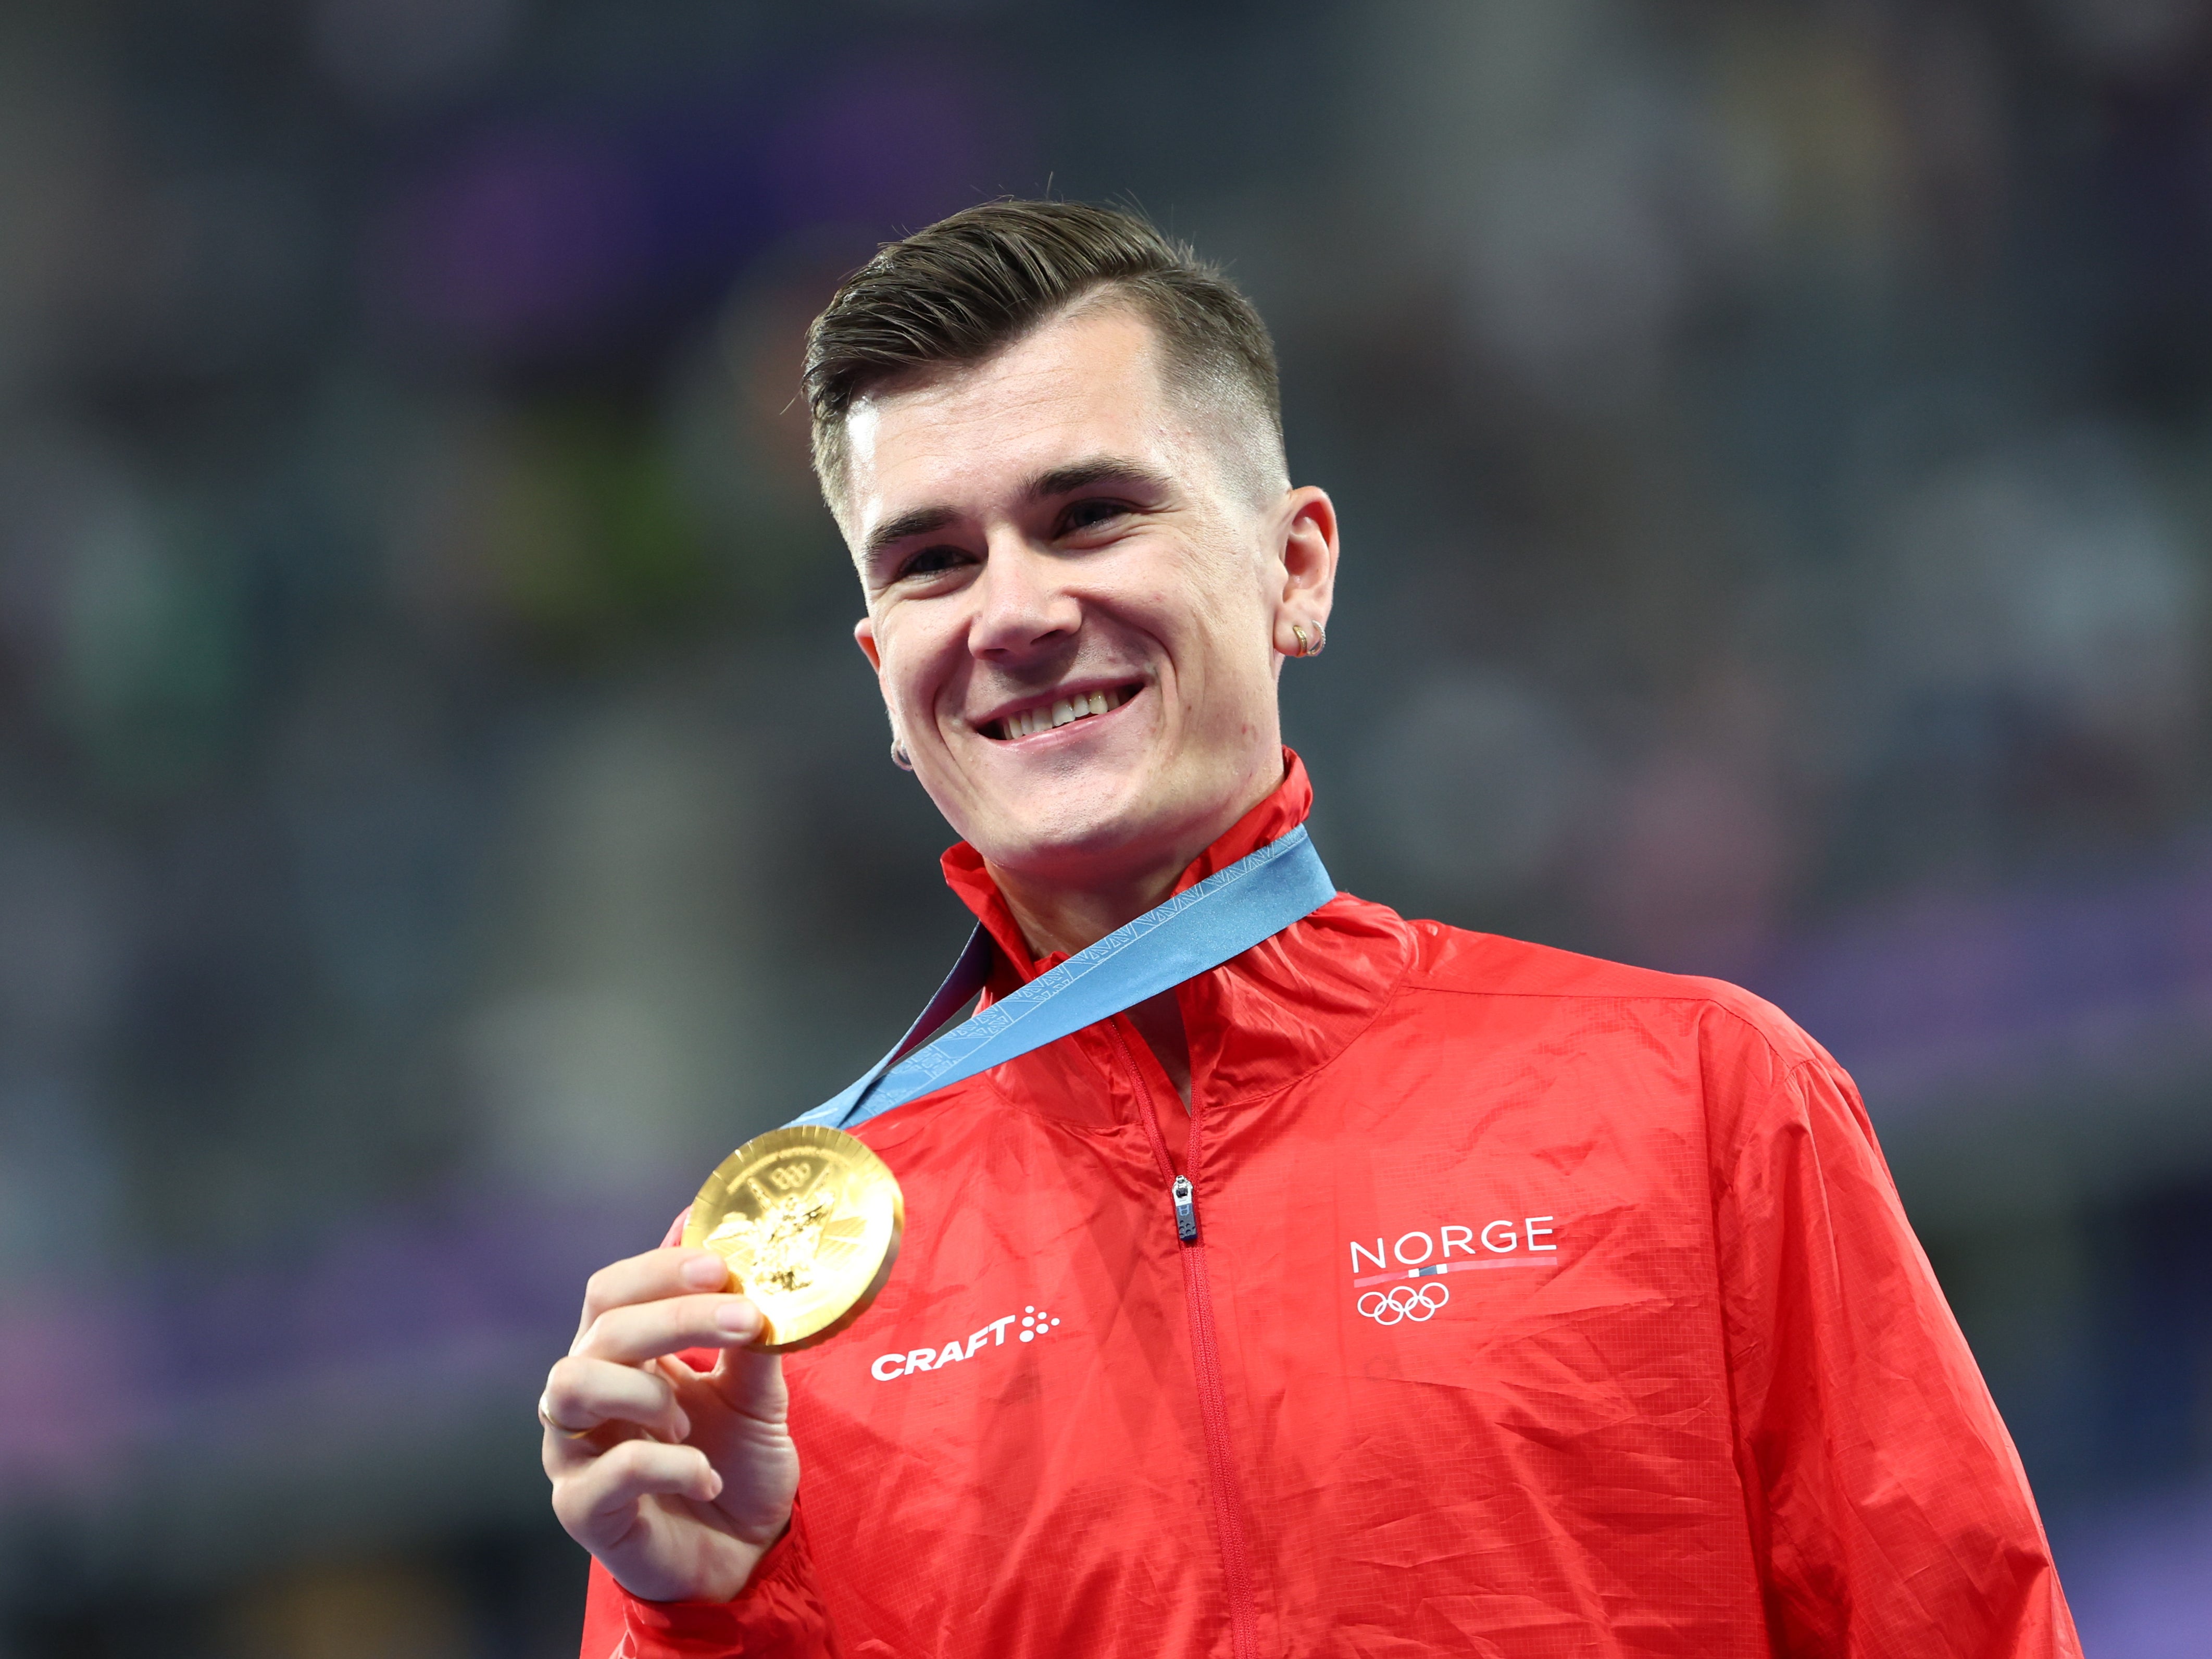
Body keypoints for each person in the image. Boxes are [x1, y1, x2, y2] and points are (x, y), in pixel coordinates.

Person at [539, 200, 2080, 1657]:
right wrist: (713, 1619)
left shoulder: (1702, 1102)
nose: (1009, 613)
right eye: (934, 559)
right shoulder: (758, 1300)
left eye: (1089, 515)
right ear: (886, 667)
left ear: (1296, 566)